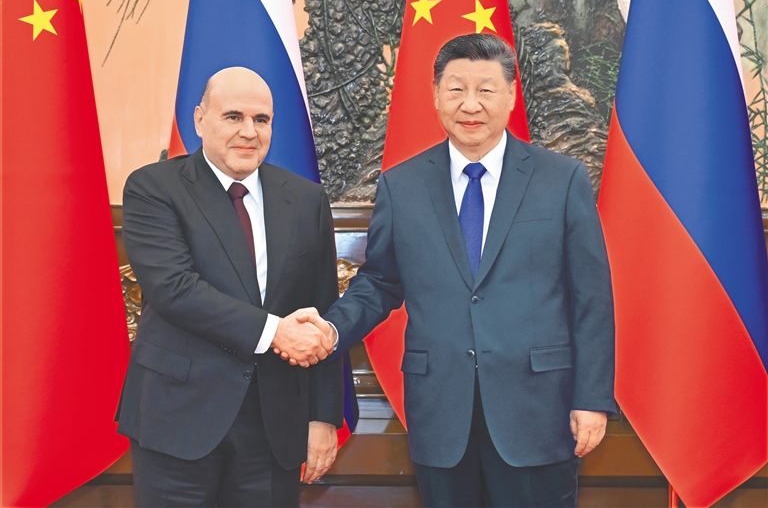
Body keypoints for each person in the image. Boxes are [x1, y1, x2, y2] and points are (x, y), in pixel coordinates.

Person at [288, 34, 616, 507]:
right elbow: (380, 281)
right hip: (441, 412)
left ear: (511, 95)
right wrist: (330, 329)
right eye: (456, 89)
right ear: (436, 96)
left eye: (486, 89)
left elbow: (591, 298)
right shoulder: (401, 185)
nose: (471, 104)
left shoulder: (562, 180)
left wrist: (591, 398)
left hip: (538, 410)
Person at [116, 66, 342, 508]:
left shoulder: (306, 199)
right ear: (200, 120)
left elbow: (322, 310)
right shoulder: (153, 188)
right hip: (178, 420)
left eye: (261, 119)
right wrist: (275, 331)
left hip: (274, 427)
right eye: (233, 116)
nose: (249, 132)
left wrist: (322, 417)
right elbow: (175, 289)